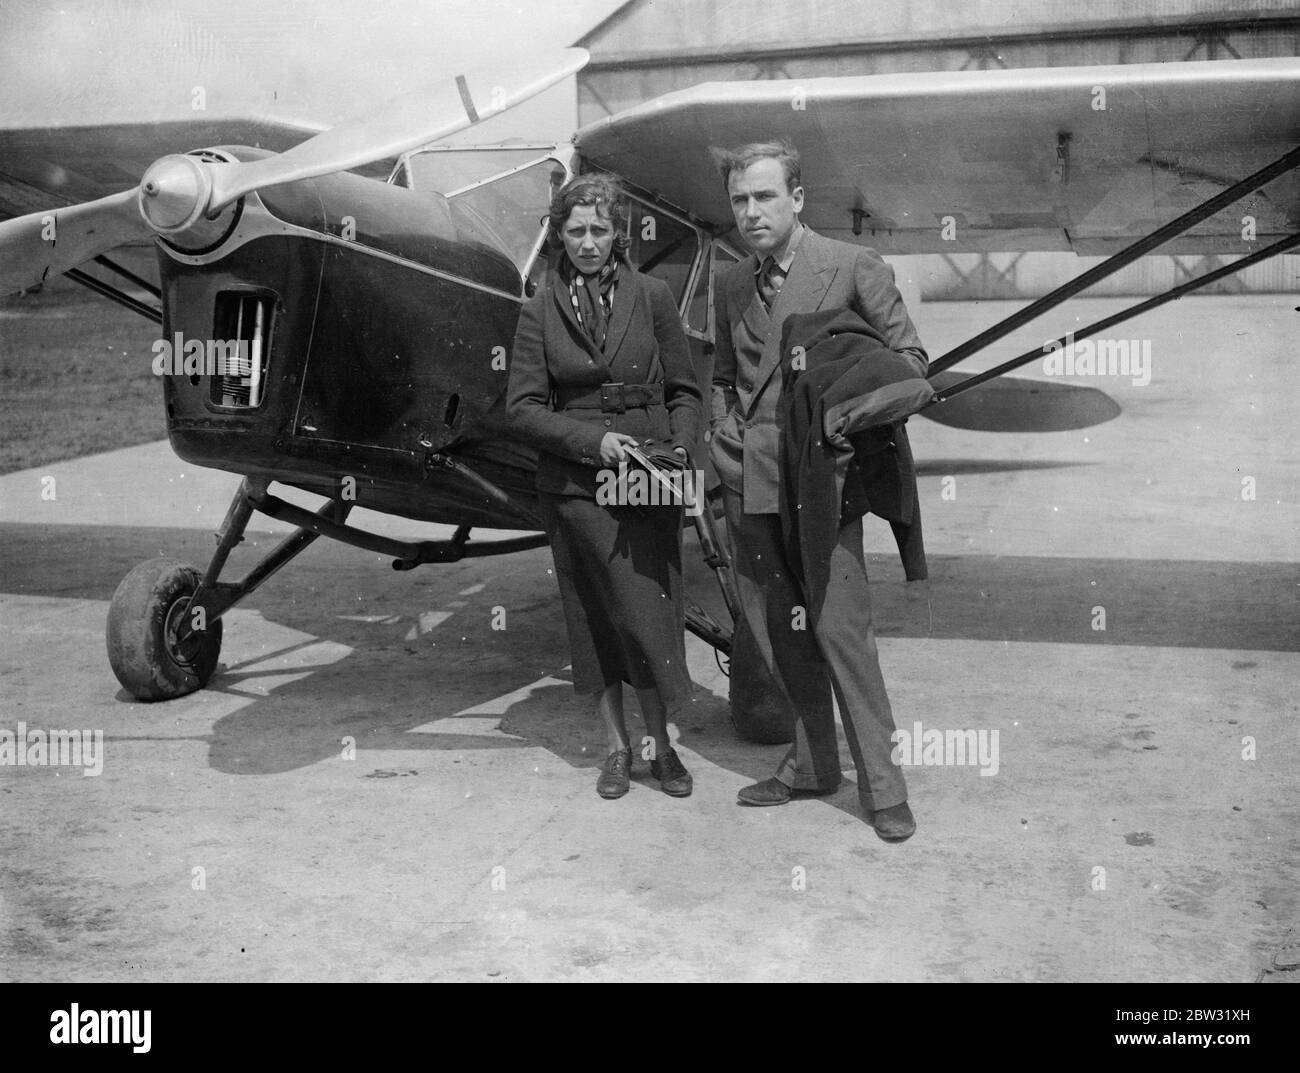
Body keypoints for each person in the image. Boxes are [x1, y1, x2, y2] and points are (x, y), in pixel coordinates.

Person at [708, 140, 927, 841]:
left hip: (819, 487)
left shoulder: (850, 266)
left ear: (797, 198)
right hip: (748, 485)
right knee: (779, 636)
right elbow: (723, 379)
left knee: (840, 632)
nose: (751, 212)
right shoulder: (733, 283)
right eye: (740, 200)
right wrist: (722, 440)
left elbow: (915, 369)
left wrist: (840, 420)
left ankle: (884, 787)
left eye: (765, 196)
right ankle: (812, 765)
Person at [507, 173, 703, 800]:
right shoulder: (538, 309)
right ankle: (617, 751)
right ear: (557, 236)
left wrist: (676, 457)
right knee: (597, 620)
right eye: (574, 231)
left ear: (617, 232)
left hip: (647, 480)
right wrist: (594, 445)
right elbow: (524, 408)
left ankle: (661, 747)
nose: (587, 242)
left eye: (598, 229)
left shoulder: (654, 296)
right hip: (575, 487)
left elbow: (685, 391)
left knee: (648, 613)